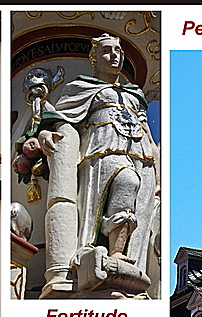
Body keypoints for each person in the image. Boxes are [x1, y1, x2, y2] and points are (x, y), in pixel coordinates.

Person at [38, 33, 159, 264]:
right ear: (94, 59)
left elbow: (149, 137)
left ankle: (123, 255)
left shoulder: (135, 94)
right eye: (107, 51)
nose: (114, 56)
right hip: (104, 149)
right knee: (126, 182)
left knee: (137, 201)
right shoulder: (81, 87)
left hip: (139, 153)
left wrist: (159, 177)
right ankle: (110, 253)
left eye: (118, 52)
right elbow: (61, 117)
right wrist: (45, 131)